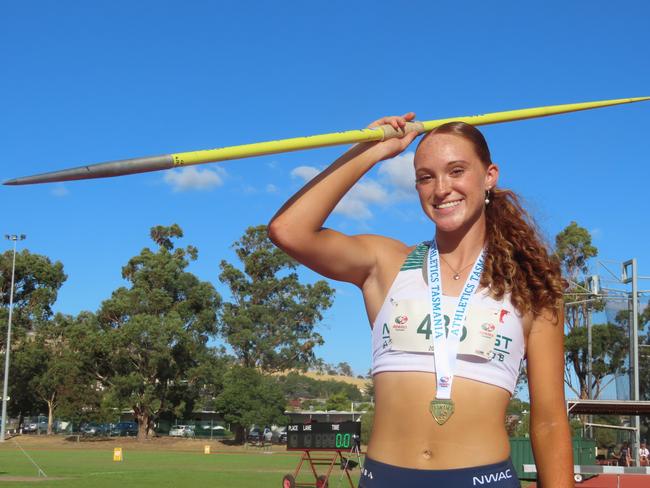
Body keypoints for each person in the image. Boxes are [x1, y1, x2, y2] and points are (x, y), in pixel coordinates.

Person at [268, 113, 574, 487]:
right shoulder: (387, 264)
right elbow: (288, 230)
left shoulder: (531, 285)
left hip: (484, 478)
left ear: (489, 176)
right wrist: (369, 151)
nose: (440, 188)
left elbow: (549, 420)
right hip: (385, 477)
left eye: (456, 170)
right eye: (425, 177)